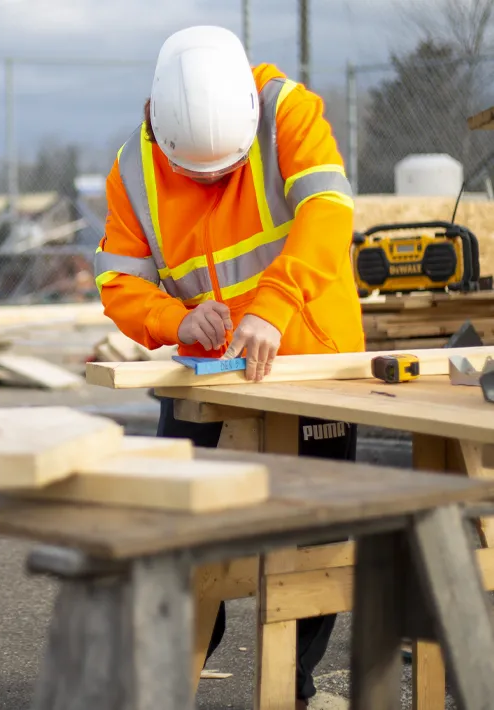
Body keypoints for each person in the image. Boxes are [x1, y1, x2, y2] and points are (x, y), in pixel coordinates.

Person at [94, 24, 364, 709]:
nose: (213, 185)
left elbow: (328, 214)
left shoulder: (287, 112)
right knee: (182, 535)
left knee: (315, 537)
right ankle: (164, 678)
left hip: (311, 364)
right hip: (203, 376)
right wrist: (174, 320)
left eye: (228, 170)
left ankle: (294, 686)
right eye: (197, 175)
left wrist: (272, 306)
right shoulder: (134, 169)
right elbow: (121, 284)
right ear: (159, 123)